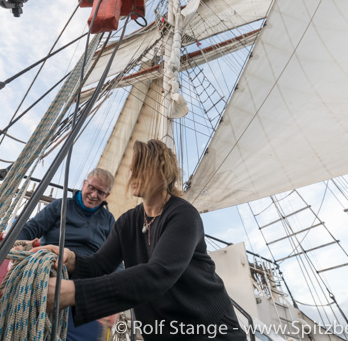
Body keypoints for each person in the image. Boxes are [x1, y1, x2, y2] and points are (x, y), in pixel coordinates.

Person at [39, 139, 246, 340]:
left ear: (161, 172)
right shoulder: (128, 221)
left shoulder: (183, 215)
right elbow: (100, 264)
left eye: (140, 167)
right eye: (132, 168)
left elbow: (158, 273)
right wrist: (70, 258)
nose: (132, 175)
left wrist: (73, 292)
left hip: (210, 331)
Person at [17, 167, 116, 341]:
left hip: (87, 286)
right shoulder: (60, 205)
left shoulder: (108, 220)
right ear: (84, 184)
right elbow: (29, 230)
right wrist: (18, 244)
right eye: (91, 188)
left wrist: (115, 296)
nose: (93, 195)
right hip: (52, 273)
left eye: (100, 192)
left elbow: (117, 261)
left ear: (106, 196)